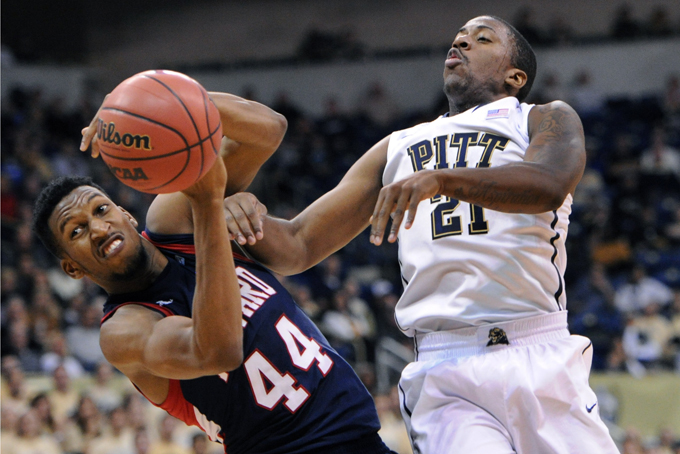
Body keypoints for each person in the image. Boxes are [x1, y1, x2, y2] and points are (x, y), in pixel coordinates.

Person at [222, 15, 619, 454]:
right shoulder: (398, 145)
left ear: (515, 75)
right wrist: (236, 212)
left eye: (481, 39)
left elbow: (549, 184)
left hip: (538, 349)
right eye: (459, 38)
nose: (463, 42)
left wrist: (441, 180)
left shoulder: (542, 118)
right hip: (446, 368)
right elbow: (298, 245)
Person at [32, 92, 395, 454]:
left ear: (127, 215)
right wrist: (211, 207)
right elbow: (218, 352)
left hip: (359, 436)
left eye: (101, 210)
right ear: (72, 268)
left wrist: (170, 96)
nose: (97, 228)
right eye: (76, 232)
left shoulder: (172, 220)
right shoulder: (123, 329)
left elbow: (267, 130)